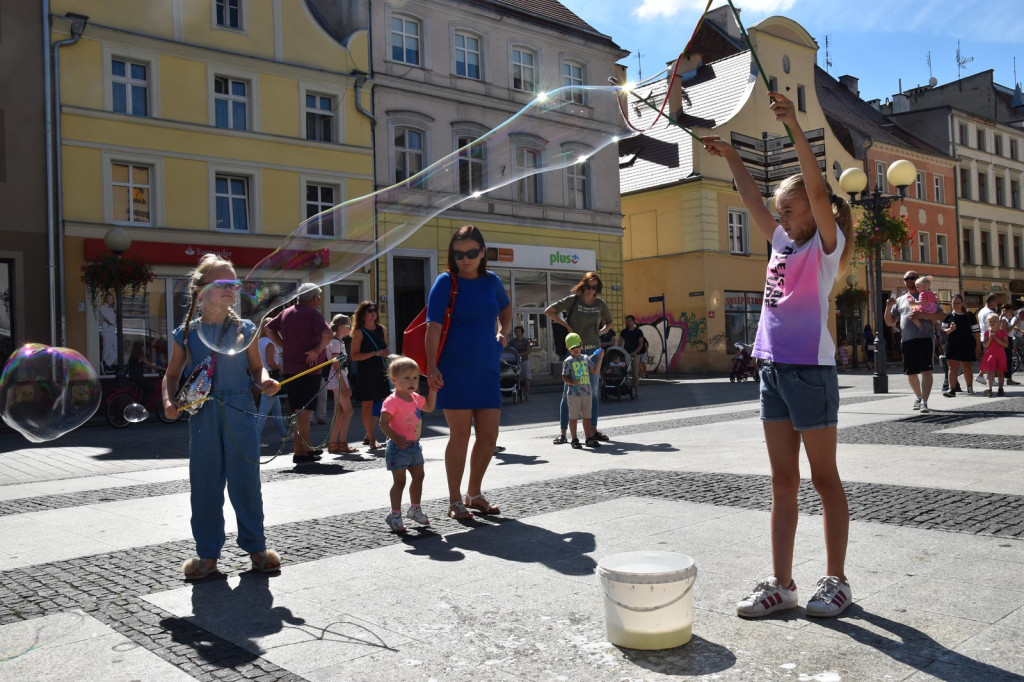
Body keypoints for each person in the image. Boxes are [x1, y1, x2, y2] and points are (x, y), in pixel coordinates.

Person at [701, 90, 853, 618]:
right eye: (781, 213)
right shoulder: (783, 243)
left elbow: (814, 185)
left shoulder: (823, 248)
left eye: (790, 211)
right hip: (773, 371)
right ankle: (783, 585)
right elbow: (749, 199)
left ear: (815, 212)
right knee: (783, 482)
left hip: (812, 372)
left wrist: (793, 129)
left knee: (824, 479)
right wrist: (732, 157)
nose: (780, 218)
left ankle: (836, 580)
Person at [161, 254, 281, 580]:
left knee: (246, 482)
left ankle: (257, 549)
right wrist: (169, 400)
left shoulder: (245, 329)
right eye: (222, 284)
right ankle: (208, 555)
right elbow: (171, 375)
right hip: (203, 413)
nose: (230, 289)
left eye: (233, 284)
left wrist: (264, 380)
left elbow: (256, 367)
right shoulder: (185, 334)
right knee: (205, 485)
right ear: (201, 291)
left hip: (241, 409)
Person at [425, 225, 512, 521]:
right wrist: (432, 367)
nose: (465, 259)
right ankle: (454, 499)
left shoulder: (492, 282)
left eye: (472, 253)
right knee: (460, 435)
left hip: (487, 366)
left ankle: (474, 494)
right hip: (454, 368)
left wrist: (503, 334)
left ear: (483, 252)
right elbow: (433, 326)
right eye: (459, 254)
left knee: (489, 437)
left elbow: (506, 309)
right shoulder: (445, 282)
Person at [266, 283, 333, 464]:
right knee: (303, 413)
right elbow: (328, 333)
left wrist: (282, 345)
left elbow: (268, 329)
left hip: (290, 369)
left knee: (299, 411)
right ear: (313, 298)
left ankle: (306, 447)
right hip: (308, 369)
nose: (318, 301)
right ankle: (300, 452)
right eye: (318, 298)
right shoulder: (312, 314)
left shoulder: (287, 312)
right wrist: (316, 350)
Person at [545, 272, 613, 445]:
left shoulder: (600, 304)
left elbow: (610, 322)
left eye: (595, 287)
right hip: (575, 352)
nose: (592, 290)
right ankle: (563, 433)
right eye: (589, 286)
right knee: (568, 393)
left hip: (594, 351)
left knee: (594, 392)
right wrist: (567, 326)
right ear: (583, 286)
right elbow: (549, 311)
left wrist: (602, 331)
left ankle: (593, 431)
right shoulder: (573, 300)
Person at [379, 356, 437, 532]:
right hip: (398, 448)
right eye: (407, 378)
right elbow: (383, 423)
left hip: (414, 446)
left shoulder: (415, 398)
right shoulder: (392, 400)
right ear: (394, 380)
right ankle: (395, 515)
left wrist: (433, 390)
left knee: (419, 476)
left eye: (415, 378)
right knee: (400, 481)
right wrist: (395, 438)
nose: (412, 382)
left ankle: (415, 508)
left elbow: (429, 407)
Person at [884, 270, 945, 414]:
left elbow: (941, 314)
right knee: (910, 373)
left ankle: (924, 401)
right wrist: (887, 307)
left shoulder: (928, 296)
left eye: (912, 278)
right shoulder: (900, 299)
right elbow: (889, 322)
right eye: (906, 278)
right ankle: (918, 397)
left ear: (919, 280)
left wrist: (923, 314)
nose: (909, 280)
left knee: (926, 370)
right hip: (907, 339)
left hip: (925, 338)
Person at [350, 300, 390, 450]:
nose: (373, 313)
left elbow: (385, 347)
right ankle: (372, 439)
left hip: (380, 370)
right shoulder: (359, 332)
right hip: (366, 371)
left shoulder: (381, 329)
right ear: (363, 314)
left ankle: (370, 434)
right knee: (367, 405)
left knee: (386, 403)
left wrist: (386, 352)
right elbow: (354, 356)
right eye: (370, 310)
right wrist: (373, 353)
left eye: (375, 310)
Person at [561, 333, 605, 449]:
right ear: (567, 348)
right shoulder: (567, 361)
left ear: (581, 345)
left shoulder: (586, 358)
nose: (575, 350)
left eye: (577, 347)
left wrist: (600, 358)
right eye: (572, 348)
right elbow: (564, 376)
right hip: (574, 395)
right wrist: (571, 382)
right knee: (573, 418)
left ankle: (588, 438)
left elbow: (595, 372)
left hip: (587, 393)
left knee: (587, 418)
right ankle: (574, 439)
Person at [326, 314, 360, 456]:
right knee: (348, 411)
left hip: (338, 377)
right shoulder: (335, 343)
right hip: (338, 378)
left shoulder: (338, 342)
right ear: (341, 327)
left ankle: (334, 443)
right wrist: (345, 386)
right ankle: (342, 443)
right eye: (348, 326)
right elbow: (335, 365)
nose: (350, 328)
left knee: (339, 411)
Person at [941, 294, 981, 398]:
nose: (956, 304)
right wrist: (950, 329)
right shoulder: (948, 316)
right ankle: (952, 389)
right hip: (952, 345)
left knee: (966, 366)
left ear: (962, 303)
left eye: (958, 302)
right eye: (954, 303)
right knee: (952, 368)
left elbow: (976, 332)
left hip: (966, 344)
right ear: (951, 303)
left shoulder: (969, 315)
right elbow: (943, 333)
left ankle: (970, 387)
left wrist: (978, 346)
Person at [979, 313, 1008, 397]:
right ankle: (989, 388)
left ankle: (1000, 388)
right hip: (990, 354)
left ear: (998, 322)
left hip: (1000, 354)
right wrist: (990, 338)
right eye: (990, 321)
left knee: (1000, 373)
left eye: (994, 321)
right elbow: (985, 345)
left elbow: (1005, 344)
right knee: (990, 372)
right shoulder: (987, 333)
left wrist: (995, 338)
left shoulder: (1003, 332)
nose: (992, 323)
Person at [618, 315, 648, 391]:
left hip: (635, 354)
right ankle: (623, 386)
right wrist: (620, 352)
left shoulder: (638, 331)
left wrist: (635, 352)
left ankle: (636, 389)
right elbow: (620, 343)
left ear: (634, 321)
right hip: (626, 354)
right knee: (624, 371)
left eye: (630, 320)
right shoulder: (624, 331)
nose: (628, 322)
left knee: (635, 372)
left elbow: (641, 344)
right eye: (627, 321)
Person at [975, 293, 999, 383]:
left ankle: (983, 376)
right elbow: (993, 326)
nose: (997, 304)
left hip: (983, 335)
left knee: (988, 357)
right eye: (996, 302)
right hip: (990, 336)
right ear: (992, 302)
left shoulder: (981, 311)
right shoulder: (990, 313)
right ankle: (989, 378)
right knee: (991, 358)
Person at [508, 325, 533, 400]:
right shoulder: (513, 341)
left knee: (526, 377)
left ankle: (527, 394)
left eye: (518, 331)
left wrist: (520, 355)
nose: (517, 333)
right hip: (515, 362)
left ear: (522, 332)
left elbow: (528, 351)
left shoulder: (525, 341)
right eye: (516, 331)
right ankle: (517, 393)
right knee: (516, 378)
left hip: (524, 360)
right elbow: (508, 349)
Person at [1000, 304, 1020, 386]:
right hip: (1007, 340)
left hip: (1009, 339)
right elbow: (1005, 333)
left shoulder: (1006, 319)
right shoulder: (1004, 320)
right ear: (1005, 311)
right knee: (1008, 360)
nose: (1012, 313)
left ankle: (1008, 378)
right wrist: (1014, 324)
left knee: (1009, 360)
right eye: (1010, 311)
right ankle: (1008, 379)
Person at [99, 293, 117, 374]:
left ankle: (107, 364)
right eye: (109, 298)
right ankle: (103, 366)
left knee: (117, 349)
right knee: (107, 349)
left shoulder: (112, 308)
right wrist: (114, 320)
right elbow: (112, 321)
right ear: (106, 299)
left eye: (112, 298)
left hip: (112, 331)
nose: (110, 300)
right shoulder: (104, 308)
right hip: (107, 331)